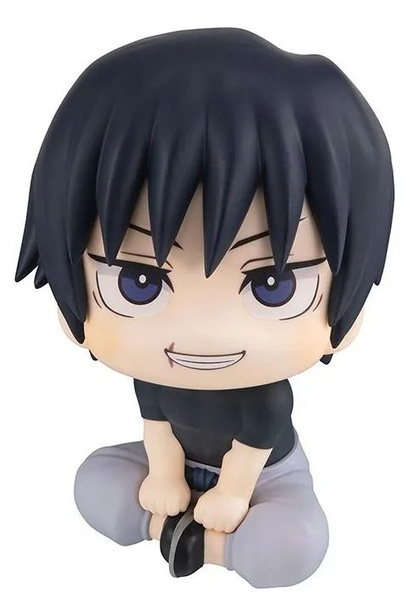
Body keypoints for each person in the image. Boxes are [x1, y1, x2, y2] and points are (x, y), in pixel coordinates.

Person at [15, 28, 394, 588]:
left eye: (272, 284)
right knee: (93, 480)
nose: (204, 334)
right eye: (140, 282)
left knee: (294, 546)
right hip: (172, 474)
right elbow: (156, 428)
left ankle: (199, 545)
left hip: (265, 479)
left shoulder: (263, 394)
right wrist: (164, 478)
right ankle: (177, 532)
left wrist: (234, 496)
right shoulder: (154, 376)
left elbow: (254, 450)